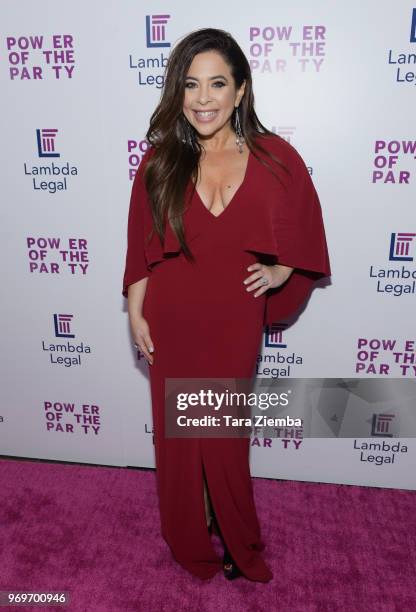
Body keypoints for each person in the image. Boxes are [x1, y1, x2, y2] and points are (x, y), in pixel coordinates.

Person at [122, 28, 331, 582]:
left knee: (223, 434)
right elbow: (140, 248)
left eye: (218, 83)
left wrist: (284, 266)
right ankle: (191, 538)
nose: (204, 97)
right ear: (178, 92)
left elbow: (304, 229)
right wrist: (137, 313)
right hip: (171, 315)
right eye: (191, 85)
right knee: (179, 441)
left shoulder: (275, 157)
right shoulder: (160, 162)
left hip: (233, 318)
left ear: (240, 91)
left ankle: (239, 540)